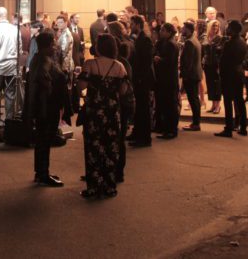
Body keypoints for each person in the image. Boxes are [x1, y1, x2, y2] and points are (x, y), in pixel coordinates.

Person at [77, 34, 134, 199]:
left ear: (99, 47)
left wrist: (86, 96)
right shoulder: (119, 67)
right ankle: (109, 186)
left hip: (94, 111)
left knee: (93, 148)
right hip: (112, 112)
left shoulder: (90, 64)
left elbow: (81, 86)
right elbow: (123, 91)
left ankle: (94, 186)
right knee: (111, 148)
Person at [27, 32, 67, 187]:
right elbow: (44, 82)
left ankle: (41, 172)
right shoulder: (43, 60)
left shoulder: (39, 58)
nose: (55, 47)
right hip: (46, 106)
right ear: (48, 45)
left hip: (43, 106)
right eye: (53, 44)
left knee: (43, 140)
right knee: (44, 139)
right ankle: (43, 173)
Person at [217, 19, 248, 137]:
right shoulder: (242, 42)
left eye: (229, 27)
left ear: (233, 30)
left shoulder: (229, 43)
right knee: (239, 101)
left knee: (228, 102)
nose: (227, 29)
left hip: (229, 75)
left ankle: (228, 128)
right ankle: (243, 127)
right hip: (239, 73)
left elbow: (224, 60)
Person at [127, 15, 155, 146]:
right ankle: (137, 133)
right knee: (138, 108)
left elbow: (146, 62)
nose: (130, 26)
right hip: (139, 78)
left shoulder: (145, 39)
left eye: (132, 24)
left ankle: (144, 138)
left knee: (143, 109)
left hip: (142, 80)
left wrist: (140, 78)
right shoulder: (138, 38)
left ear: (138, 24)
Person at [153, 23, 180, 139]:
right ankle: (165, 128)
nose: (161, 32)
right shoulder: (163, 43)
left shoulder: (171, 44)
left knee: (170, 105)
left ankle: (171, 130)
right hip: (164, 78)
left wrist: (159, 59)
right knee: (165, 104)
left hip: (169, 79)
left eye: (163, 30)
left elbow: (170, 62)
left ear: (169, 32)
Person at [179, 21, 203, 131]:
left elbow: (187, 62)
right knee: (194, 99)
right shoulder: (195, 40)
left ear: (188, 29)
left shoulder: (189, 42)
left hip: (191, 75)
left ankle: (196, 123)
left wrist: (184, 76)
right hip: (195, 73)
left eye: (183, 28)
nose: (181, 30)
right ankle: (196, 122)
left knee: (193, 99)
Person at [202, 19, 223, 114]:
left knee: (216, 85)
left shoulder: (220, 38)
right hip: (207, 64)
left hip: (216, 64)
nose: (215, 28)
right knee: (210, 84)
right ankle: (213, 104)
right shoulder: (206, 37)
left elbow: (221, 53)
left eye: (217, 26)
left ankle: (218, 105)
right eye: (214, 26)